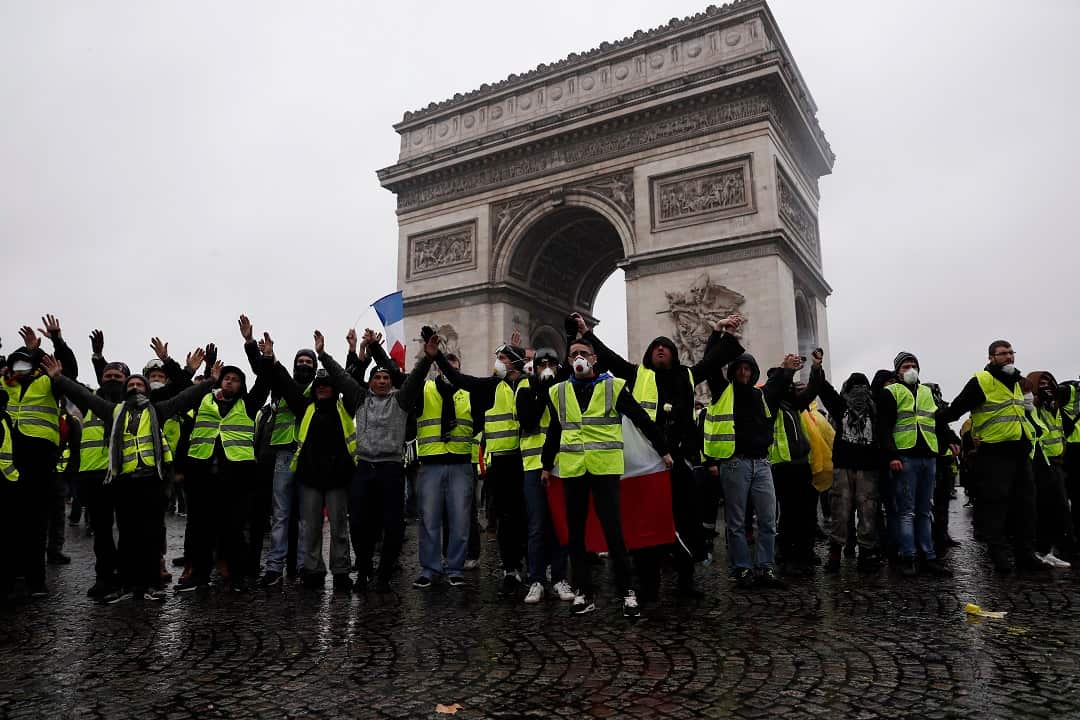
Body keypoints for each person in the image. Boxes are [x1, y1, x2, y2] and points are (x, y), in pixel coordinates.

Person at [574, 312, 744, 600]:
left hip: (681, 461)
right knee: (647, 522)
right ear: (648, 355)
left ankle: (686, 581)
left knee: (686, 521)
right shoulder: (636, 374)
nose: (661, 349)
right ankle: (647, 583)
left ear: (675, 354)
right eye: (655, 347)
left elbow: (714, 361)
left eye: (666, 347)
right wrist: (586, 334)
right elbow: (609, 358)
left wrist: (718, 332)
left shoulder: (688, 375)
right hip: (646, 461)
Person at [42, 353, 222, 603]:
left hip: (151, 482)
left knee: (149, 536)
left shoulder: (158, 410)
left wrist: (209, 382)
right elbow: (83, 396)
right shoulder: (113, 411)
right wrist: (59, 378)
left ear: (147, 391)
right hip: (125, 483)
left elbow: (184, 398)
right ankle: (128, 585)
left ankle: (150, 584)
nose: (135, 387)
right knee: (127, 537)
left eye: (139, 385)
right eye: (131, 385)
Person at [540, 336, 672, 618]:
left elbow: (641, 418)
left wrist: (663, 450)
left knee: (613, 531)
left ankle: (627, 591)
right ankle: (583, 592)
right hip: (574, 469)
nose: (579, 357)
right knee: (575, 534)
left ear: (594, 358)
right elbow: (555, 430)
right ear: (568, 361)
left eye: (583, 353)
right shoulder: (558, 391)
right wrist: (545, 464)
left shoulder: (614, 386)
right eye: (574, 353)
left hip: (606, 470)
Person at [317, 327, 434, 593]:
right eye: (377, 377)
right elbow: (340, 376)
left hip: (391, 469)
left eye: (385, 377)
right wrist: (322, 354)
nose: (382, 381)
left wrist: (427, 359)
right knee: (359, 525)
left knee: (393, 525)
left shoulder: (402, 400)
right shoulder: (359, 398)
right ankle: (365, 569)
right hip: (364, 470)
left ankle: (384, 574)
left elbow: (415, 380)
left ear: (391, 382)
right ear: (369, 382)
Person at [176, 316, 270, 592]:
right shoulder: (203, 397)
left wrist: (251, 345)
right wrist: (195, 371)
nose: (230, 382)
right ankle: (199, 575)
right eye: (226, 378)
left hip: (236, 475)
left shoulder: (250, 404)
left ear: (241, 385)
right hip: (202, 472)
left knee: (233, 528)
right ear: (218, 382)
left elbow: (264, 380)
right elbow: (179, 395)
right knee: (201, 527)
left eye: (235, 380)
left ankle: (235, 577)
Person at [433, 337, 531, 597]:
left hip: (529, 460)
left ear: (517, 362)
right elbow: (459, 378)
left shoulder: (530, 384)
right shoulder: (490, 386)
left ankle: (534, 566)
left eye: (503, 358)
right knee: (505, 519)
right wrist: (438, 357)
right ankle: (511, 568)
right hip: (501, 461)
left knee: (528, 516)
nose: (497, 363)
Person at [939, 340, 1045, 574]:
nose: (1008, 357)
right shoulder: (982, 381)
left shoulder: (1017, 382)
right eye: (1002, 354)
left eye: (1011, 353)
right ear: (991, 358)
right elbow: (955, 410)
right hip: (994, 454)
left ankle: (1025, 554)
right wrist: (943, 427)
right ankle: (999, 557)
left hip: (1019, 452)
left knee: (1026, 505)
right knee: (996, 506)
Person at [703, 350, 801, 589]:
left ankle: (765, 567)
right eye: (739, 368)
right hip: (735, 462)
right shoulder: (723, 392)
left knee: (768, 519)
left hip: (763, 463)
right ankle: (742, 569)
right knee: (736, 523)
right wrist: (718, 336)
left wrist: (787, 369)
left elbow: (776, 385)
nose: (743, 372)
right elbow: (711, 363)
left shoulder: (762, 395)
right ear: (733, 372)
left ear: (753, 371)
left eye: (748, 368)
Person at [3, 318, 79, 598]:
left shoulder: (48, 382)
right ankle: (9, 579)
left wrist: (54, 342)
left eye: (27, 363)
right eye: (17, 362)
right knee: (9, 521)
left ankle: (36, 580)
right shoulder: (4, 383)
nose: (20, 367)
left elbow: (68, 370)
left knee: (36, 521)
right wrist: (28, 351)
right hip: (7, 461)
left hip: (40, 460)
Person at [876, 352, 955, 578]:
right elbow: (884, 428)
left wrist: (950, 439)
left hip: (928, 455)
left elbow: (936, 420)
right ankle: (908, 556)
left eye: (913, 366)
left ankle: (928, 556)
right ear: (897, 371)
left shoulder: (926, 392)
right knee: (906, 511)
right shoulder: (890, 392)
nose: (910, 370)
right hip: (905, 457)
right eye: (905, 366)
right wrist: (892, 456)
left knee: (923, 510)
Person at [411, 329, 475, 589]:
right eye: (443, 366)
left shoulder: (470, 391)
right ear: (437, 369)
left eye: (453, 366)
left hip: (460, 463)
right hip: (431, 464)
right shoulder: (424, 389)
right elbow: (401, 379)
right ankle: (429, 568)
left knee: (460, 520)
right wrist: (429, 356)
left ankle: (455, 567)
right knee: (428, 519)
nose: (447, 370)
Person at [255, 342, 318, 588]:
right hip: (282, 454)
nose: (303, 365)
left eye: (308, 362)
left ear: (314, 368)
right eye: (300, 362)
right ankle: (274, 567)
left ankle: (303, 565)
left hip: (307, 455)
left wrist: (274, 361)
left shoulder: (318, 388)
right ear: (293, 366)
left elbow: (297, 401)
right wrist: (261, 352)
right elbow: (261, 371)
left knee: (305, 516)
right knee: (280, 515)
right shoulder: (281, 385)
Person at [515, 346, 573, 604]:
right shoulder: (525, 389)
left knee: (559, 524)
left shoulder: (564, 388)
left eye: (551, 363)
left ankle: (560, 577)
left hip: (561, 464)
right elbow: (528, 421)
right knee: (537, 525)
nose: (546, 368)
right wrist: (544, 391)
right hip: (532, 466)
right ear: (534, 367)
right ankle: (536, 579)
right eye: (541, 364)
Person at [815, 368, 881, 573]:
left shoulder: (875, 410)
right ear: (848, 390)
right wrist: (817, 368)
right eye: (856, 388)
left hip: (868, 468)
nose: (860, 393)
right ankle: (836, 554)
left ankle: (866, 554)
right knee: (840, 511)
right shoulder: (840, 406)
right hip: (843, 467)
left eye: (864, 388)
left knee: (867, 511)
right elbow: (824, 390)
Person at [768, 351, 825, 576]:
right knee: (789, 513)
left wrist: (816, 368)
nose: (790, 386)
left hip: (801, 464)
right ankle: (786, 554)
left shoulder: (793, 404)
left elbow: (812, 390)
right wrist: (786, 370)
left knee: (807, 512)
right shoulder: (769, 403)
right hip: (782, 465)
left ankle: (804, 552)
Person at [1026, 371, 1076, 566]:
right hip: (1040, 463)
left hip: (1056, 463)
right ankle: (1039, 549)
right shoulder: (1035, 407)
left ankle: (1050, 548)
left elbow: (1063, 429)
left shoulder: (1053, 408)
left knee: (1059, 508)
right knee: (1042, 507)